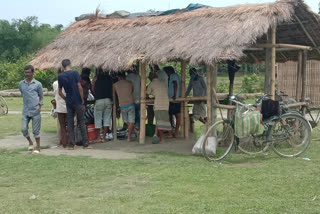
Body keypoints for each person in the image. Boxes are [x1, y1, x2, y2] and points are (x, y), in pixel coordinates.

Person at [58, 59, 92, 149]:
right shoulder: (75, 73)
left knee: (70, 122)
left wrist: (66, 99)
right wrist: (82, 99)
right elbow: (79, 86)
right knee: (81, 121)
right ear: (70, 64)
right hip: (77, 100)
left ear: (63, 66)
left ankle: (71, 144)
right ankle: (86, 144)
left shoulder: (60, 76)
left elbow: (59, 92)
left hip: (69, 101)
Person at [19, 65, 43, 154]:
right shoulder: (21, 84)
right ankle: (30, 142)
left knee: (36, 131)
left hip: (35, 111)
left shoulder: (38, 84)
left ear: (33, 72)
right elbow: (23, 93)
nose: (27, 74)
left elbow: (41, 97)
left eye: (29, 72)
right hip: (25, 110)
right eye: (25, 72)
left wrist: (40, 107)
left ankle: (38, 147)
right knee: (23, 129)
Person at [113, 72, 139, 141]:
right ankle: (130, 136)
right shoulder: (129, 83)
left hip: (122, 105)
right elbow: (132, 90)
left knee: (125, 121)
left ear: (118, 77)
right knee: (131, 121)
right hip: (131, 103)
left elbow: (114, 95)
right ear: (125, 77)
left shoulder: (115, 85)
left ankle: (134, 132)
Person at [147, 72, 172, 144]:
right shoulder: (162, 83)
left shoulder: (151, 84)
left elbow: (146, 95)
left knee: (159, 121)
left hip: (158, 104)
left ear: (150, 78)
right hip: (166, 103)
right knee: (165, 119)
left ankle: (162, 139)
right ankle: (169, 134)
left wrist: (151, 97)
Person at [91, 70, 113, 142]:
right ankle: (104, 137)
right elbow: (112, 90)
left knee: (98, 119)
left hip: (99, 100)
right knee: (107, 119)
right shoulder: (109, 78)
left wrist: (93, 83)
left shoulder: (96, 79)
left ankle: (98, 137)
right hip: (108, 100)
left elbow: (92, 89)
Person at [163, 66, 181, 137]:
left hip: (173, 99)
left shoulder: (173, 76)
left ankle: (173, 131)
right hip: (174, 98)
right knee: (176, 115)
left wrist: (174, 95)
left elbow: (175, 84)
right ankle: (173, 131)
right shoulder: (176, 75)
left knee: (172, 115)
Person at [52, 68, 68, 147]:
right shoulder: (68, 82)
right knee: (70, 125)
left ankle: (62, 142)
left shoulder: (55, 83)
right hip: (68, 106)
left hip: (59, 106)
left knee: (61, 126)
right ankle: (69, 141)